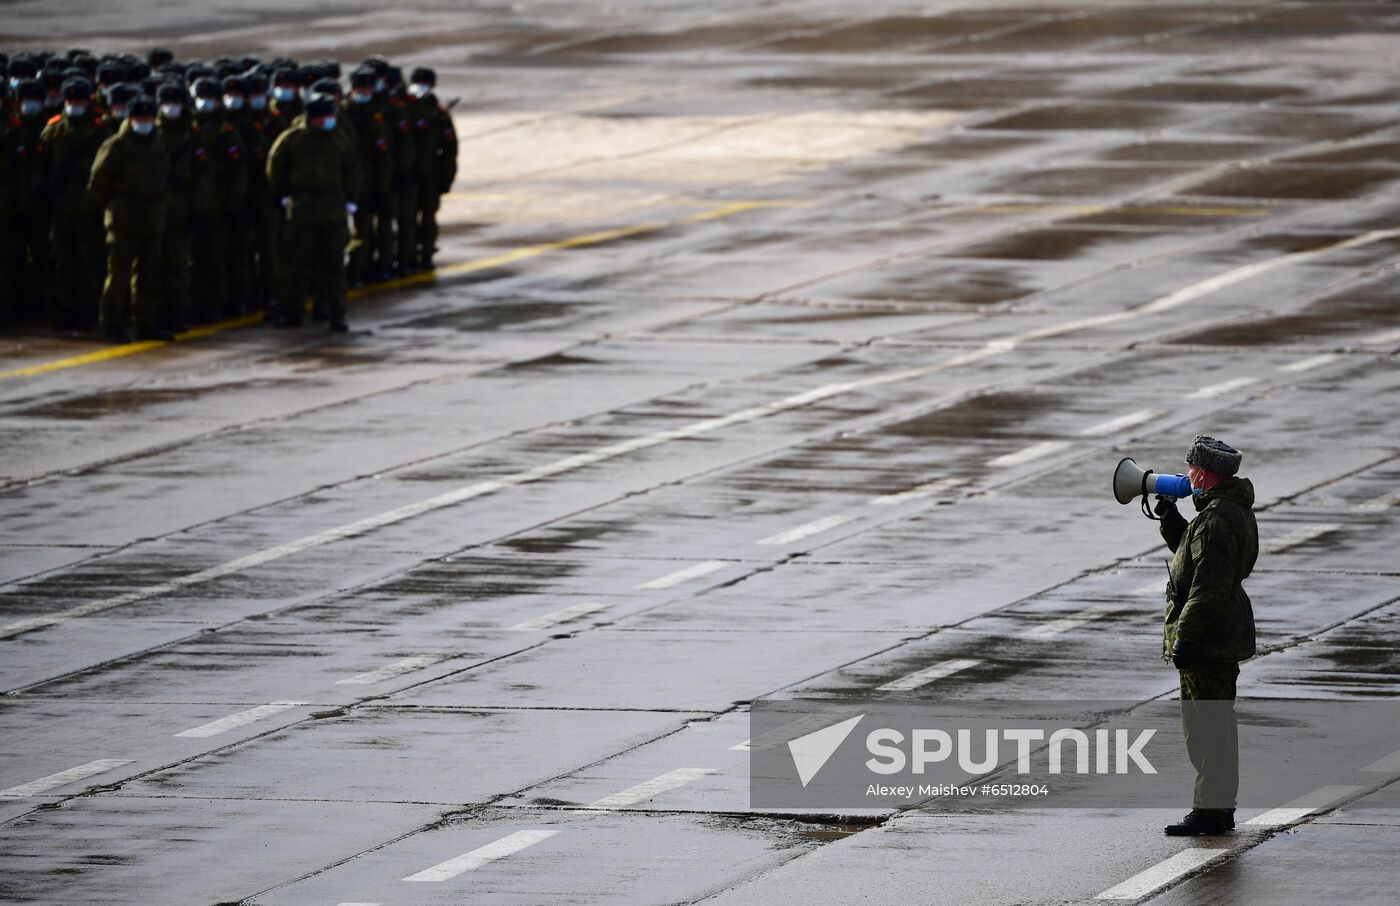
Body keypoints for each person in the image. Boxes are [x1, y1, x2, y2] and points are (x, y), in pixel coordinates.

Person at [1153, 435, 1257, 836]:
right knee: (1211, 725)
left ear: (1206, 472)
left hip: (1210, 640)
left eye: (1193, 469)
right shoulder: (1223, 512)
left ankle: (1211, 811)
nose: (1188, 475)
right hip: (1219, 634)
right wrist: (1173, 525)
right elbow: (1197, 559)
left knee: (1206, 729)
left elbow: (1208, 587)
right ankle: (1215, 808)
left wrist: (1186, 638)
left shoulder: (1216, 518)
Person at [266, 94, 359, 332]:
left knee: (334, 266)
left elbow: (353, 170)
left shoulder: (339, 139)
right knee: (296, 265)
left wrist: (351, 199)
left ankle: (335, 313)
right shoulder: (293, 139)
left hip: (333, 209)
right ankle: (292, 312)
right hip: (303, 210)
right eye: (325, 117)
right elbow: (275, 167)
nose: (329, 121)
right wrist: (285, 194)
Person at [89, 94, 169, 342]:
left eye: (148, 117)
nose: (143, 121)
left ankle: (146, 324)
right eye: (139, 117)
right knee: (118, 277)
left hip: (151, 219)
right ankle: (112, 325)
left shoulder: (158, 143)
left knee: (148, 277)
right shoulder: (117, 145)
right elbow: (97, 182)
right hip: (124, 220)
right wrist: (115, 207)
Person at [40, 76, 106, 331]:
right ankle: (67, 310)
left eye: (79, 99)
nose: (74, 104)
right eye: (70, 100)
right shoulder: (54, 129)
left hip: (89, 206)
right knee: (64, 261)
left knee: (89, 260)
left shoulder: (99, 130)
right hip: (62, 208)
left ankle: (88, 310)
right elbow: (41, 166)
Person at [407, 67, 455, 271]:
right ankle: (406, 256)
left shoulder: (439, 114)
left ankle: (425, 254)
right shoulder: (404, 109)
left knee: (427, 217)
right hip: (407, 174)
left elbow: (450, 150)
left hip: (430, 175)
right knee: (406, 218)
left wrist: (446, 178)